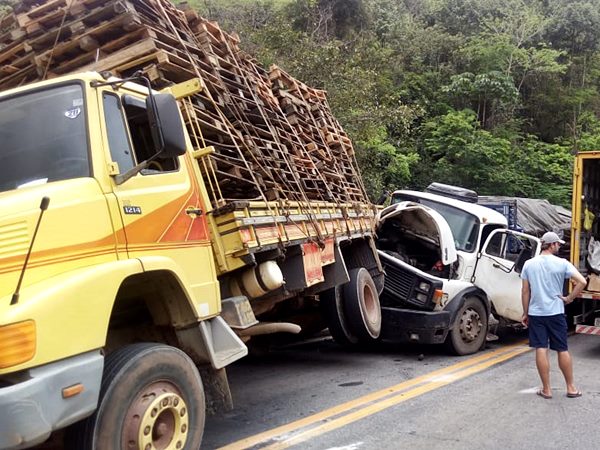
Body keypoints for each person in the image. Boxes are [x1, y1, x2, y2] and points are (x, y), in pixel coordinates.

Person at [521, 231, 587, 399]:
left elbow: (525, 291)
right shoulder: (562, 263)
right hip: (556, 312)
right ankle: (571, 388)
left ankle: (547, 389)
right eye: (558, 244)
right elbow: (582, 282)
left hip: (536, 313)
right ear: (551, 245)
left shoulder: (529, 264)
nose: (559, 246)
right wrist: (569, 298)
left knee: (541, 348)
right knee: (562, 349)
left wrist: (525, 312)